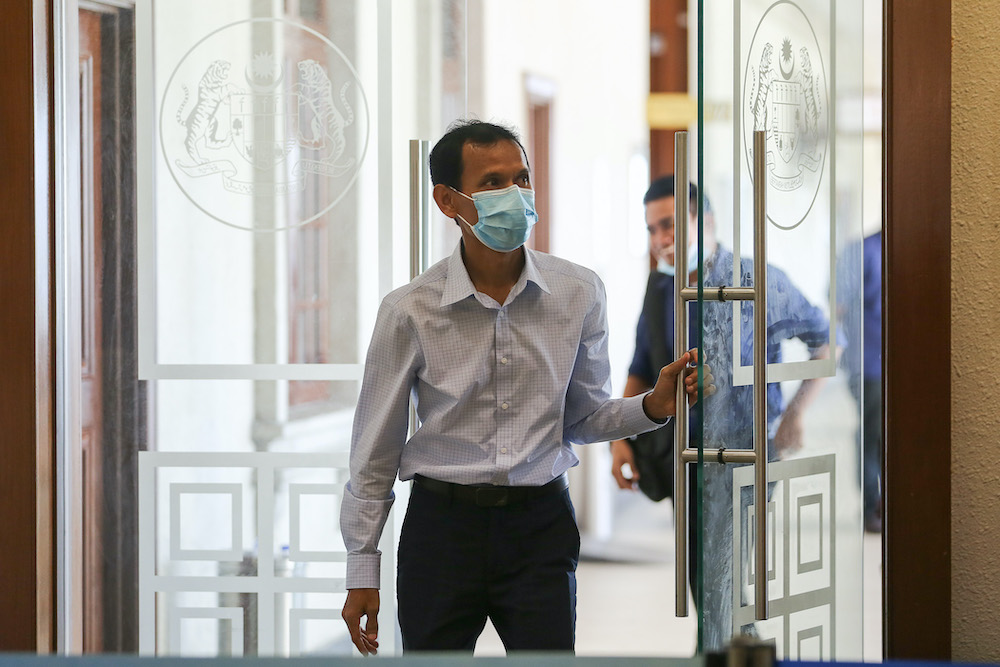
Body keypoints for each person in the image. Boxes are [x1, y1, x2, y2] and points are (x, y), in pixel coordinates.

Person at [339, 121, 708, 655]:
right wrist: (362, 570)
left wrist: (652, 406)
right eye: (492, 183)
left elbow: (582, 417)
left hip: (540, 527)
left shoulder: (577, 293)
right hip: (442, 530)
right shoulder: (409, 311)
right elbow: (374, 452)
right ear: (448, 200)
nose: (514, 195)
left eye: (522, 178)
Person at [609, 175, 830, 649]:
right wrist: (619, 438)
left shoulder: (753, 281)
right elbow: (641, 364)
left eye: (669, 225)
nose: (661, 240)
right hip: (682, 457)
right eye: (651, 230)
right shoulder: (660, 287)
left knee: (722, 580)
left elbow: (825, 341)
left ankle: (723, 649)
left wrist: (794, 416)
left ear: (704, 220)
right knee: (704, 578)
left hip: (743, 455)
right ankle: (729, 648)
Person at [839, 231, 882, 533]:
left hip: (898, 363)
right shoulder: (865, 250)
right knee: (873, 433)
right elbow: (839, 305)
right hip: (869, 364)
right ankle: (873, 508)